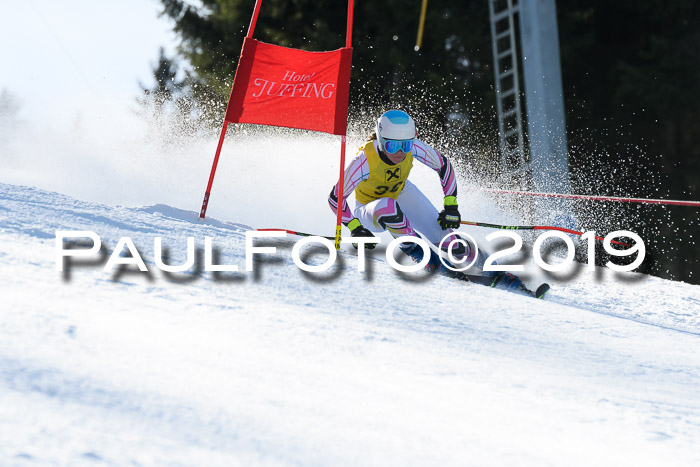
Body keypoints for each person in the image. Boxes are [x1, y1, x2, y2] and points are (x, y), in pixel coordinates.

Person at [328, 109, 475, 272]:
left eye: (406, 145)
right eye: (392, 146)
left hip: (401, 193)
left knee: (447, 239)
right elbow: (335, 197)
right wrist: (355, 227)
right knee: (388, 207)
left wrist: (451, 205)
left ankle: (481, 264)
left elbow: (444, 166)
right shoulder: (365, 159)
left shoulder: (413, 146)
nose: (400, 152)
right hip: (368, 209)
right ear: (381, 140)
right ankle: (429, 260)